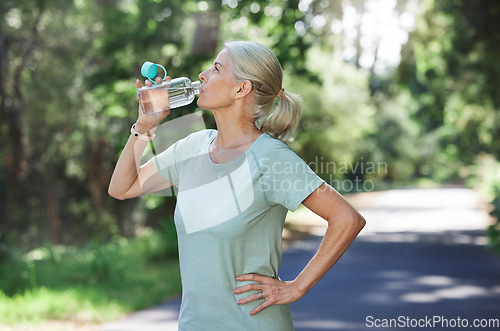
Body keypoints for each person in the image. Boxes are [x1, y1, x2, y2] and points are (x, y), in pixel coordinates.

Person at [108, 40, 365, 330]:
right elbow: (121, 188)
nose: (202, 75)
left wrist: (296, 287)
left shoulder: (271, 157)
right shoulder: (192, 143)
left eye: (216, 68)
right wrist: (143, 128)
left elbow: (347, 219)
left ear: (241, 89)